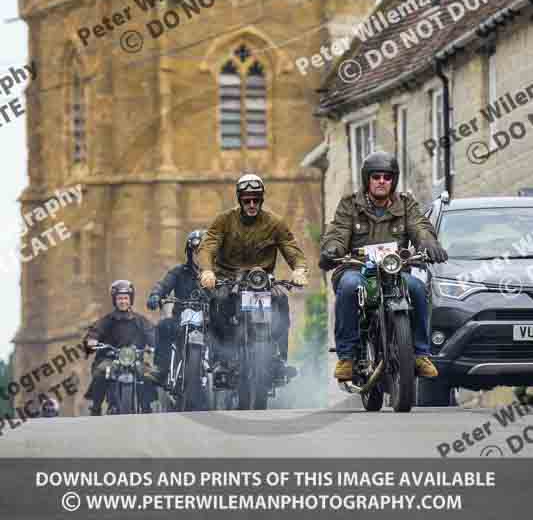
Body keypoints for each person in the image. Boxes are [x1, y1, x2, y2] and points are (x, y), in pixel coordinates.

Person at [320, 151, 448, 383]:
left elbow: (420, 226)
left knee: (418, 288)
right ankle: (347, 357)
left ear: (393, 180)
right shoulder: (350, 204)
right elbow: (338, 233)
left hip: (393, 271)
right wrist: (332, 249)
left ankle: (420, 354)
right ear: (367, 179)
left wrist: (428, 242)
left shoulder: (406, 204)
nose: (381, 181)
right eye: (376, 176)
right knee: (349, 287)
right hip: (356, 269)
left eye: (387, 177)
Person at [198, 174, 309, 379]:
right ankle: (222, 358)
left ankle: (278, 357)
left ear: (261, 199)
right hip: (229, 278)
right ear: (239, 199)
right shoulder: (224, 221)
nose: (251, 204)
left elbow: (290, 247)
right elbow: (208, 245)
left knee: (281, 300)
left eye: (256, 199)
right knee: (218, 302)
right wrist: (207, 270)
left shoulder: (275, 223)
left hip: (261, 281)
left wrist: (299, 269)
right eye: (247, 199)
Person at [83, 280, 157, 415]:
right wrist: (91, 341)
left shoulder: (140, 320)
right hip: (111, 359)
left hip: (135, 359)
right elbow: (95, 331)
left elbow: (151, 333)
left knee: (147, 374)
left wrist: (155, 345)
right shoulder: (107, 320)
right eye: (119, 298)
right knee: (101, 371)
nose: (123, 301)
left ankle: (147, 407)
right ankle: (96, 407)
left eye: (125, 298)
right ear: (114, 300)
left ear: (131, 299)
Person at [146, 229, 207, 386]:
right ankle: (161, 369)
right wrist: (156, 295)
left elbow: (228, 289)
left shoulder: (217, 274)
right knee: (163, 326)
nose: (200, 256)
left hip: (210, 323)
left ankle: (226, 369)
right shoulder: (178, 272)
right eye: (196, 252)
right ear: (189, 253)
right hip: (181, 321)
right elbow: (163, 284)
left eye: (204, 252)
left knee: (229, 330)